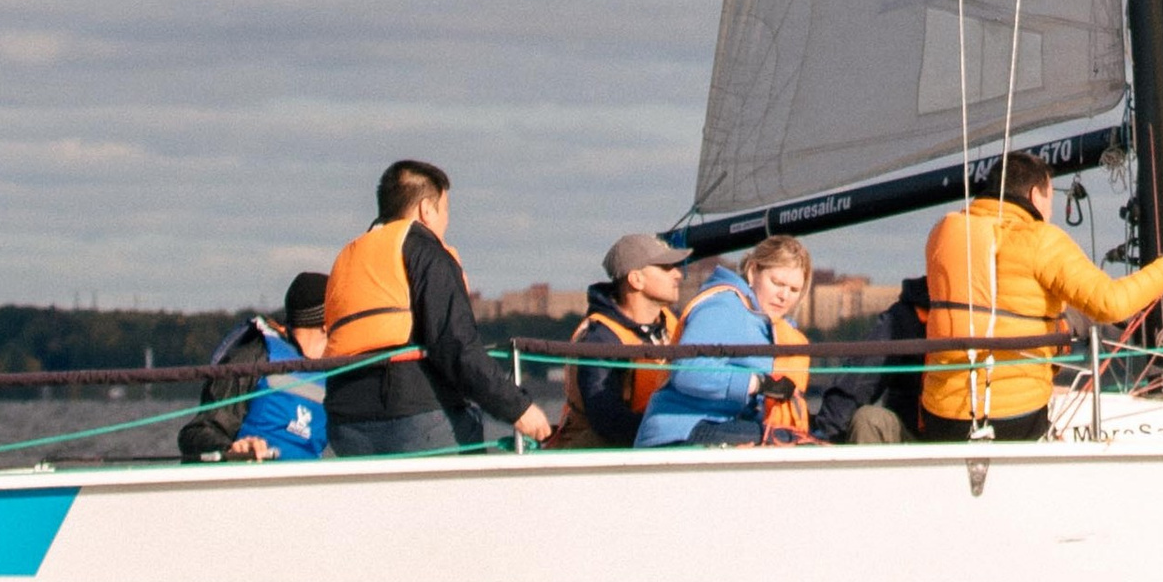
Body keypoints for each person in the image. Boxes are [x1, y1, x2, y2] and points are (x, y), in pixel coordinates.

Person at [920, 150, 1163, 440]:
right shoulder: (1040, 239)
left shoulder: (944, 231)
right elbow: (1112, 304)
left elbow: (994, 291)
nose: (1049, 212)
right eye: (1050, 199)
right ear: (1035, 195)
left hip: (940, 413)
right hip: (1013, 416)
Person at [322, 159, 555, 458]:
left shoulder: (348, 257)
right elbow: (456, 345)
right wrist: (518, 408)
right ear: (426, 209)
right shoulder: (425, 251)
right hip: (416, 418)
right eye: (445, 211)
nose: (445, 222)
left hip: (346, 422)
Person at [634, 234, 815, 449]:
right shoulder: (724, 306)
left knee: (797, 437)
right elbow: (688, 371)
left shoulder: (769, 324)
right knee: (789, 440)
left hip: (726, 425)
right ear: (753, 270)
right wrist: (758, 383)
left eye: (794, 290)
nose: (784, 296)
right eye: (777, 283)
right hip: (683, 430)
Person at [178, 272, 332, 464]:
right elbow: (196, 433)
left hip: (300, 488)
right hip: (246, 484)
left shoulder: (335, 372)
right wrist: (231, 449)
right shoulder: (255, 357)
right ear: (328, 323)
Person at [555, 232, 685, 450]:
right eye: (665, 267)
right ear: (636, 279)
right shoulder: (600, 340)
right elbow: (607, 419)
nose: (678, 274)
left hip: (654, 442)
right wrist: (677, 431)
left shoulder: (674, 325)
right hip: (602, 452)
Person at [809, 274, 932, 444]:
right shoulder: (908, 315)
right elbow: (862, 376)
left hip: (978, 437)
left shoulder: (981, 321)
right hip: (913, 442)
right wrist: (826, 433)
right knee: (868, 420)